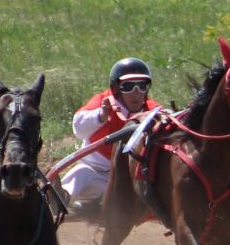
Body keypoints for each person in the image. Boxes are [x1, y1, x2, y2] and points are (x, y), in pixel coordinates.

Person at [59, 58, 162, 211]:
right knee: (81, 174)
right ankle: (59, 200)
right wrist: (100, 116)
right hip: (96, 173)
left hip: (129, 182)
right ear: (116, 88)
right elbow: (78, 130)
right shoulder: (103, 102)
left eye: (142, 86)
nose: (136, 93)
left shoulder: (153, 110)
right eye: (128, 86)